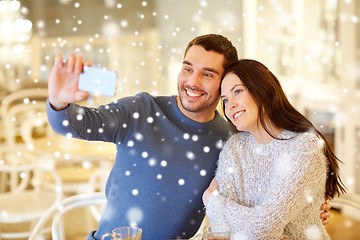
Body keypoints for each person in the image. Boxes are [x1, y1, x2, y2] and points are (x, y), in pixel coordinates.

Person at [46, 34, 331, 239]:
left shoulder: (231, 138)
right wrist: (59, 102)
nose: (192, 82)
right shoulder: (141, 109)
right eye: (188, 68)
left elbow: (270, 185)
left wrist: (306, 208)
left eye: (208, 74)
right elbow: (76, 125)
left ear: (224, 82)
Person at [202, 59, 346, 240]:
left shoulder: (304, 148)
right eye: (224, 100)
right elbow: (220, 228)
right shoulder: (234, 148)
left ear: (262, 90)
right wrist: (259, 226)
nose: (229, 105)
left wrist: (212, 201)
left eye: (237, 91)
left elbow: (265, 225)